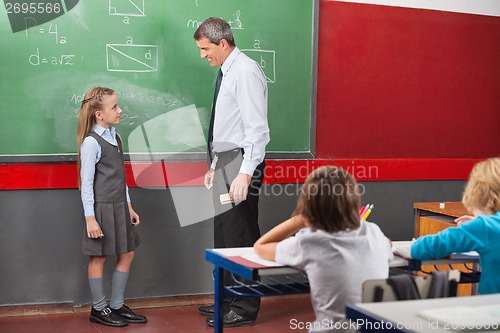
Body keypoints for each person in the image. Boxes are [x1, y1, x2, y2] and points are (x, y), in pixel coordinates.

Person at [193, 17, 270, 328]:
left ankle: (244, 306)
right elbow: (228, 126)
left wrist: (245, 172)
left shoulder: (246, 72)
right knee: (225, 236)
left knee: (241, 235)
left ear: (222, 43)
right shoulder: (227, 71)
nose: (202, 55)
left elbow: (256, 130)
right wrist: (215, 166)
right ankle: (226, 299)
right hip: (226, 162)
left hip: (240, 164)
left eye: (205, 49)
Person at [254, 166, 393, 333]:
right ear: (354, 200)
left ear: (308, 207)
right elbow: (388, 244)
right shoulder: (373, 232)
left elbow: (260, 247)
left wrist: (300, 219)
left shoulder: (310, 242)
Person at [76, 87, 147, 327]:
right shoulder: (91, 143)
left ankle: (116, 305)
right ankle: (99, 309)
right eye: (114, 107)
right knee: (99, 256)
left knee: (127, 252)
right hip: (101, 209)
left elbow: (121, 177)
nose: (120, 110)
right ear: (98, 114)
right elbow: (86, 184)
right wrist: (90, 218)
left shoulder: (115, 137)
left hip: (119, 206)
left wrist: (129, 206)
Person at [411, 157, 500, 294]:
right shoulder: (485, 227)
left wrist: (477, 225)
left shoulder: (483, 227)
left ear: (477, 192)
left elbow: (421, 248)